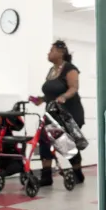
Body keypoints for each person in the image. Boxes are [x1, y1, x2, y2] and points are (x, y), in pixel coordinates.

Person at [32, 40, 85, 187]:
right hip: (52, 113)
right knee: (44, 139)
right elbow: (50, 93)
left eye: (52, 50)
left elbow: (74, 87)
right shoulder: (51, 71)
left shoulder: (70, 69)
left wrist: (64, 97)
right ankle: (46, 175)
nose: (49, 53)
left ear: (61, 52)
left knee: (65, 143)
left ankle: (77, 173)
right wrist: (41, 99)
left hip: (69, 113)